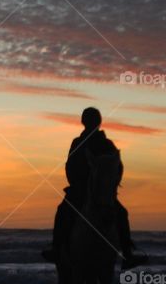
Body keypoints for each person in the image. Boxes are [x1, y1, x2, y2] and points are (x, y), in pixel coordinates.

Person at [42, 107, 147, 270]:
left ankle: (127, 254)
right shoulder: (78, 142)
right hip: (80, 191)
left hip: (102, 193)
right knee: (63, 211)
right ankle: (57, 249)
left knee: (121, 213)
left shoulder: (107, 144)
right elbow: (70, 167)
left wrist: (110, 187)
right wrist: (78, 184)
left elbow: (117, 167)